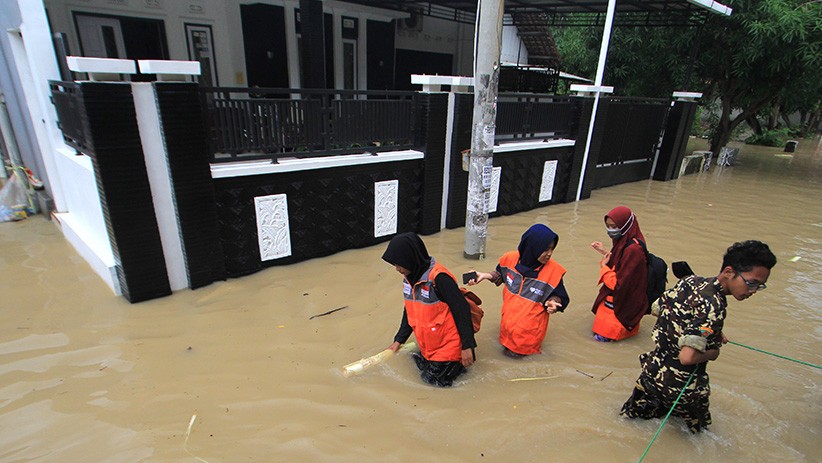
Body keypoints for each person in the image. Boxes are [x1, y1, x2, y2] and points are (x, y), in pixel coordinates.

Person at [620, 240, 776, 433]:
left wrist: (710, 332)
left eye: (760, 287)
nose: (753, 291)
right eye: (751, 283)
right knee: (698, 437)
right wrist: (713, 351)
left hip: (652, 371)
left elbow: (657, 309)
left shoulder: (690, 281)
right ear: (728, 272)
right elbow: (687, 357)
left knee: (630, 422)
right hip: (682, 387)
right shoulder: (714, 308)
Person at [383, 232, 476, 387]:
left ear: (410, 259)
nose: (397, 268)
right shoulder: (409, 279)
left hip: (449, 347)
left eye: (399, 264)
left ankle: (459, 366)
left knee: (431, 383)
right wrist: (399, 340)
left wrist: (467, 347)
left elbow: (462, 310)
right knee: (413, 361)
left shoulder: (440, 279)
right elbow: (410, 310)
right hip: (430, 345)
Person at [468, 224, 569, 357]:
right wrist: (486, 275)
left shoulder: (553, 272)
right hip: (506, 330)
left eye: (552, 249)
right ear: (532, 247)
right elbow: (500, 274)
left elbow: (560, 296)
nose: (549, 254)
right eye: (545, 249)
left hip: (528, 338)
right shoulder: (510, 259)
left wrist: (553, 302)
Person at [590, 206, 648, 342]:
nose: (611, 230)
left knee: (601, 342)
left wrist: (604, 268)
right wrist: (605, 253)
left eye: (614, 226)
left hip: (618, 311)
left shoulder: (634, 250)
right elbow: (623, 265)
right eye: (608, 226)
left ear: (625, 225)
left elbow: (619, 284)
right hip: (621, 306)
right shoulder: (626, 242)